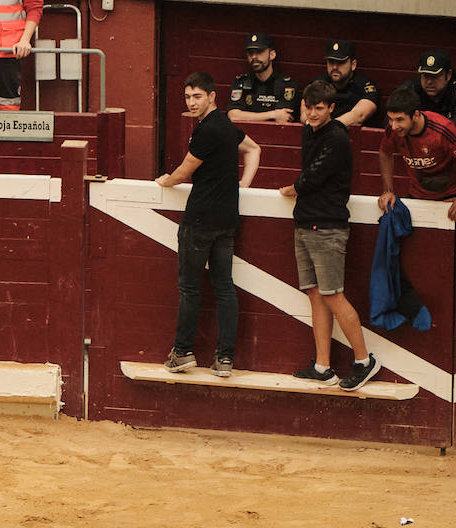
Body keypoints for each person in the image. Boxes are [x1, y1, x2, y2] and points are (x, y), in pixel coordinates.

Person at [156, 72, 261, 378]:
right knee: (224, 288)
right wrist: (242, 185)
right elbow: (255, 149)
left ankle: (182, 352)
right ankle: (225, 358)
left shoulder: (207, 131)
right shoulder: (227, 125)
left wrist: (165, 180)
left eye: (197, 96)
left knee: (190, 289)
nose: (191, 102)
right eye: (187, 96)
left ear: (213, 96)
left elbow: (184, 171)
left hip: (200, 219)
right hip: (227, 219)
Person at [278, 81, 379, 392]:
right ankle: (323, 366)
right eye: (308, 107)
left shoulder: (336, 137)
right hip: (307, 222)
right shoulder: (309, 131)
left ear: (332, 109)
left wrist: (292, 189)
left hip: (328, 226)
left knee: (333, 294)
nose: (312, 114)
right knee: (315, 293)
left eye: (319, 109)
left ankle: (364, 360)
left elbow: (312, 177)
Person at [378, 86, 456, 224]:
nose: (394, 126)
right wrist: (388, 190)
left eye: (400, 119)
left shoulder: (443, 129)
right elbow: (384, 153)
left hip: (451, 196)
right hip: (417, 194)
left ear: (416, 115)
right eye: (390, 119)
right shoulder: (392, 130)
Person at [401, 50, 456, 138]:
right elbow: (392, 117)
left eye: (435, 77)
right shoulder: (411, 88)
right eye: (425, 76)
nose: (429, 82)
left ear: (448, 75)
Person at [227, 33, 297, 124]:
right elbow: (233, 116)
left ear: (272, 55)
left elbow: (283, 118)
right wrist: (272, 114)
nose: (254, 57)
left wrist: (248, 116)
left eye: (259, 52)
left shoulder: (286, 85)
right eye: (250, 53)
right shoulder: (241, 82)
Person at [317, 40, 380, 129]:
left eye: (340, 62)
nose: (334, 67)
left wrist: (329, 128)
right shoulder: (318, 83)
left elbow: (359, 115)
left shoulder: (365, 86)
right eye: (331, 62)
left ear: (353, 64)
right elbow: (304, 113)